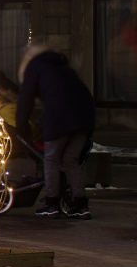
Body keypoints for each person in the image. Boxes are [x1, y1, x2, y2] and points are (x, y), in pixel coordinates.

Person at [15, 44, 95, 219]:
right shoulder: (63, 67)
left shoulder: (35, 66)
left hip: (59, 116)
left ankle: (52, 204)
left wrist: (21, 127)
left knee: (50, 159)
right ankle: (81, 205)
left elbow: (26, 99)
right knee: (71, 161)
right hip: (84, 117)